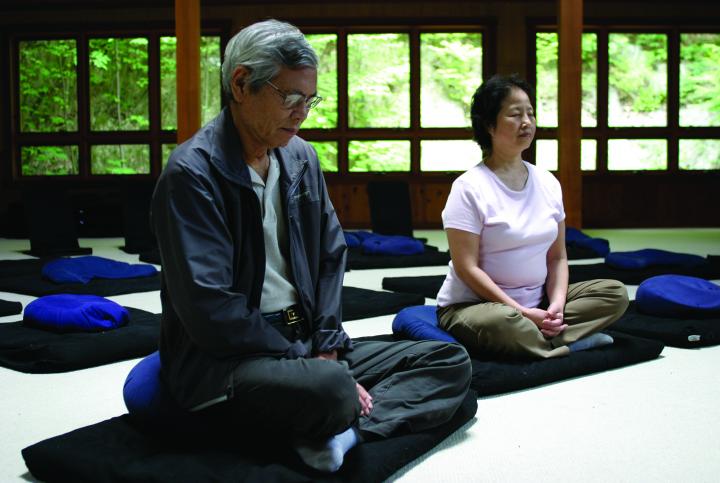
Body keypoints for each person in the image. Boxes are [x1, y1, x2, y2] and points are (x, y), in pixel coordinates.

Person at [151, 19, 471, 473]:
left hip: (304, 342)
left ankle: (346, 431)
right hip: (228, 358)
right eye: (290, 97)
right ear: (241, 84)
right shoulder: (192, 175)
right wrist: (309, 361)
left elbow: (330, 255)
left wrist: (326, 342)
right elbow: (209, 309)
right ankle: (338, 410)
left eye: (310, 98)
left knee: (448, 359)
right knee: (332, 390)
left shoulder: (300, 157)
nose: (303, 112)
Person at [436, 74, 629, 359]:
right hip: (479, 307)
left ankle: (543, 337)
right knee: (501, 324)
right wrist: (522, 312)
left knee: (614, 293)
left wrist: (558, 305)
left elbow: (557, 257)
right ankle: (566, 343)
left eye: (530, 113)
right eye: (515, 114)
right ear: (490, 125)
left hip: (539, 299)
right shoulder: (468, 188)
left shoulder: (547, 181)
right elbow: (467, 268)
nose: (527, 121)